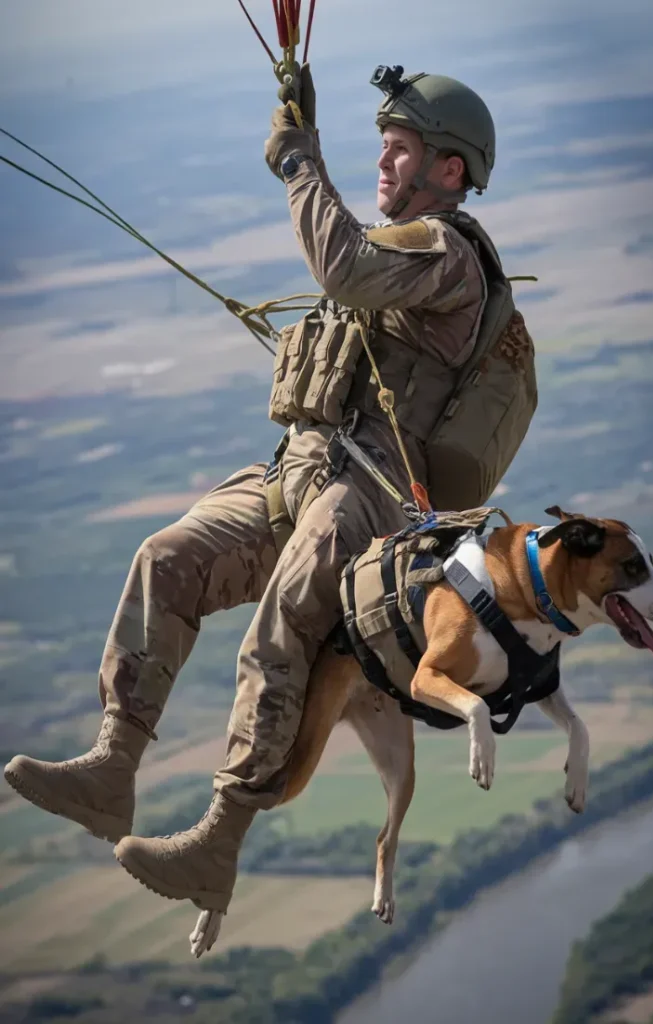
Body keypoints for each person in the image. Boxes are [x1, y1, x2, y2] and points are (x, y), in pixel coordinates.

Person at [4, 66, 496, 915]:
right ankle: (113, 768)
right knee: (168, 558)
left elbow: (340, 265)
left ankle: (219, 841)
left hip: (367, 491)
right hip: (301, 469)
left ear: (448, 170)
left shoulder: (445, 252)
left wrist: (300, 161)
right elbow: (351, 256)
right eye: (380, 146)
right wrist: (307, 150)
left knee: (283, 629)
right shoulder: (401, 244)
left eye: (400, 149)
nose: (383, 161)